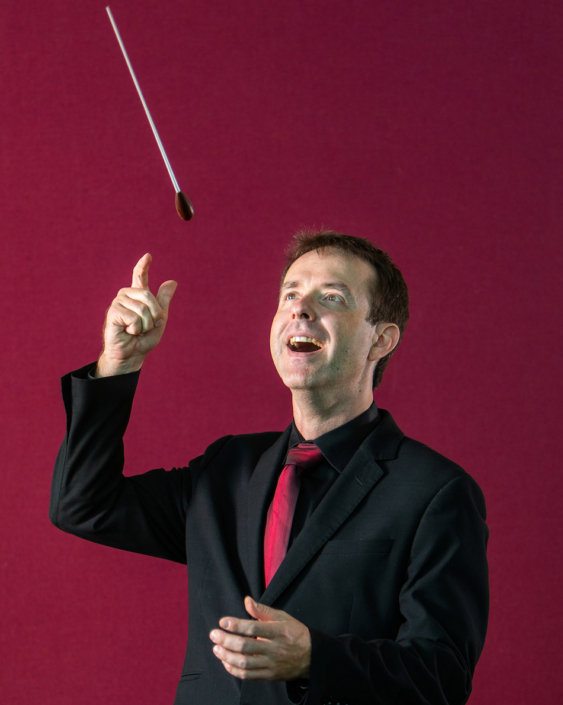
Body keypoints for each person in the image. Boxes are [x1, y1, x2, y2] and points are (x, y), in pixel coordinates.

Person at [50, 231, 489, 705]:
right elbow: (83, 505)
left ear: (380, 340)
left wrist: (314, 659)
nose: (301, 309)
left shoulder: (436, 493)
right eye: (290, 295)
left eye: (332, 297)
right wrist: (118, 363)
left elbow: (441, 677)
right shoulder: (225, 469)